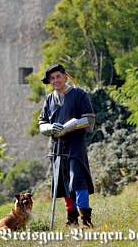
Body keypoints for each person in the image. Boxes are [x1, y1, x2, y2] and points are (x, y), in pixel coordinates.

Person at [39, 64, 95, 229]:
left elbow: (89, 118)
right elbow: (42, 123)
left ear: (64, 76)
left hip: (76, 142)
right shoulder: (49, 99)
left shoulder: (79, 94)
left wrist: (69, 126)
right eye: (52, 78)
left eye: (57, 76)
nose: (55, 80)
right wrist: (50, 128)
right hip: (58, 145)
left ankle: (85, 219)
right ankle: (71, 218)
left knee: (77, 180)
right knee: (64, 182)